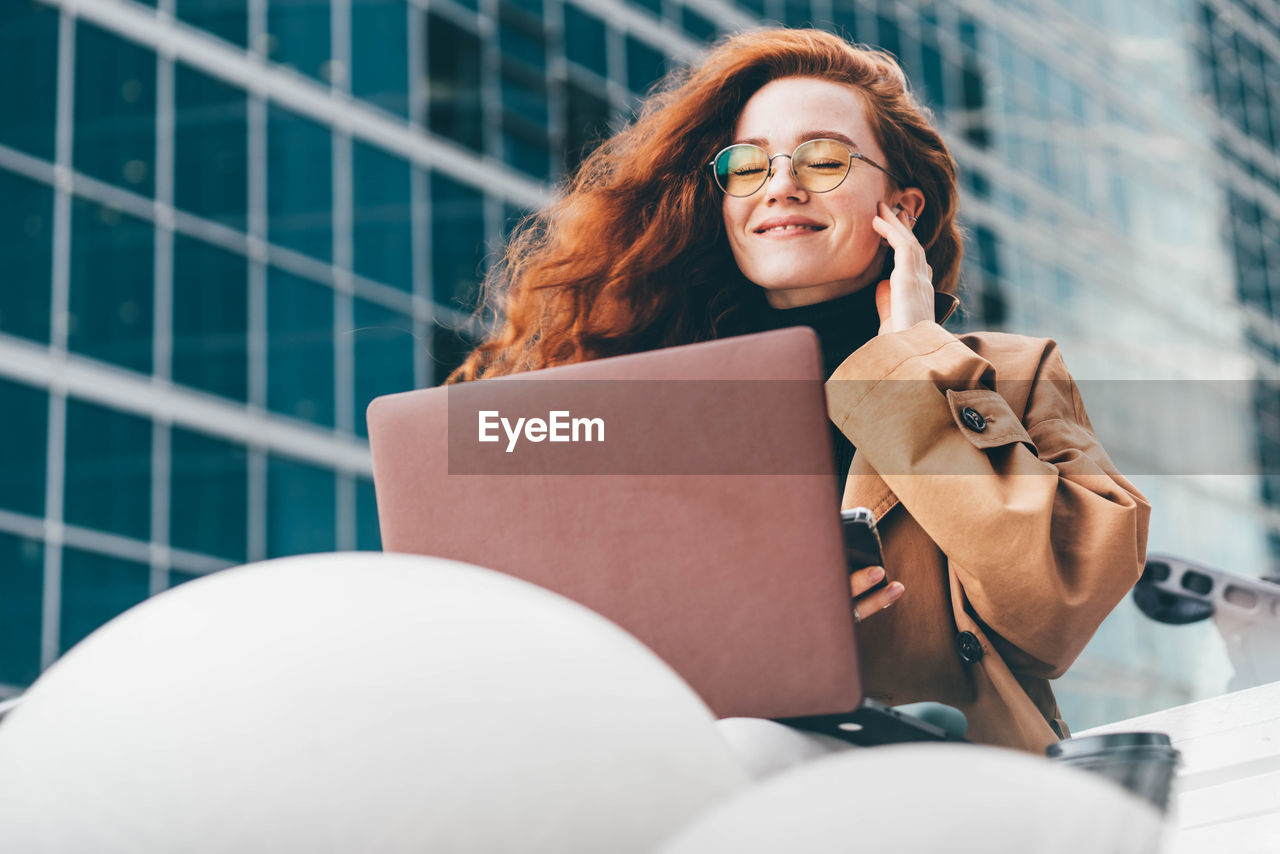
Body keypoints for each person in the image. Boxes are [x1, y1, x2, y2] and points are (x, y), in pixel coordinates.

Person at [447, 28, 1149, 752]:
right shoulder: (637, 396)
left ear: (901, 209)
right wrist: (749, 634)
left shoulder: (1011, 375)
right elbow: (552, 657)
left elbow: (1055, 607)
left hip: (953, 792)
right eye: (748, 165)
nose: (781, 183)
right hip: (713, 789)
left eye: (823, 157)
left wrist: (911, 365)